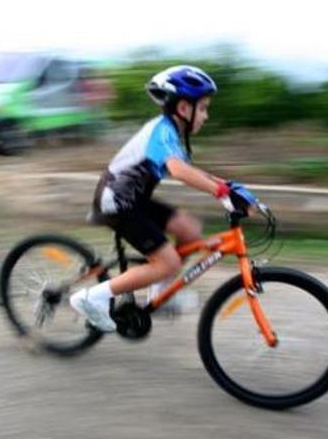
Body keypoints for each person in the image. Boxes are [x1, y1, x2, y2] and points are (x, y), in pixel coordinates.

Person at [70, 65, 234, 332]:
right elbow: (180, 171)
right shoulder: (162, 132)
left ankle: (160, 296)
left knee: (188, 229)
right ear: (183, 108)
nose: (206, 115)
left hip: (133, 199)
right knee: (166, 262)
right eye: (203, 107)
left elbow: (190, 170)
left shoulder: (171, 132)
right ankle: (89, 299)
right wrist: (220, 192)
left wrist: (229, 187)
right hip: (117, 203)